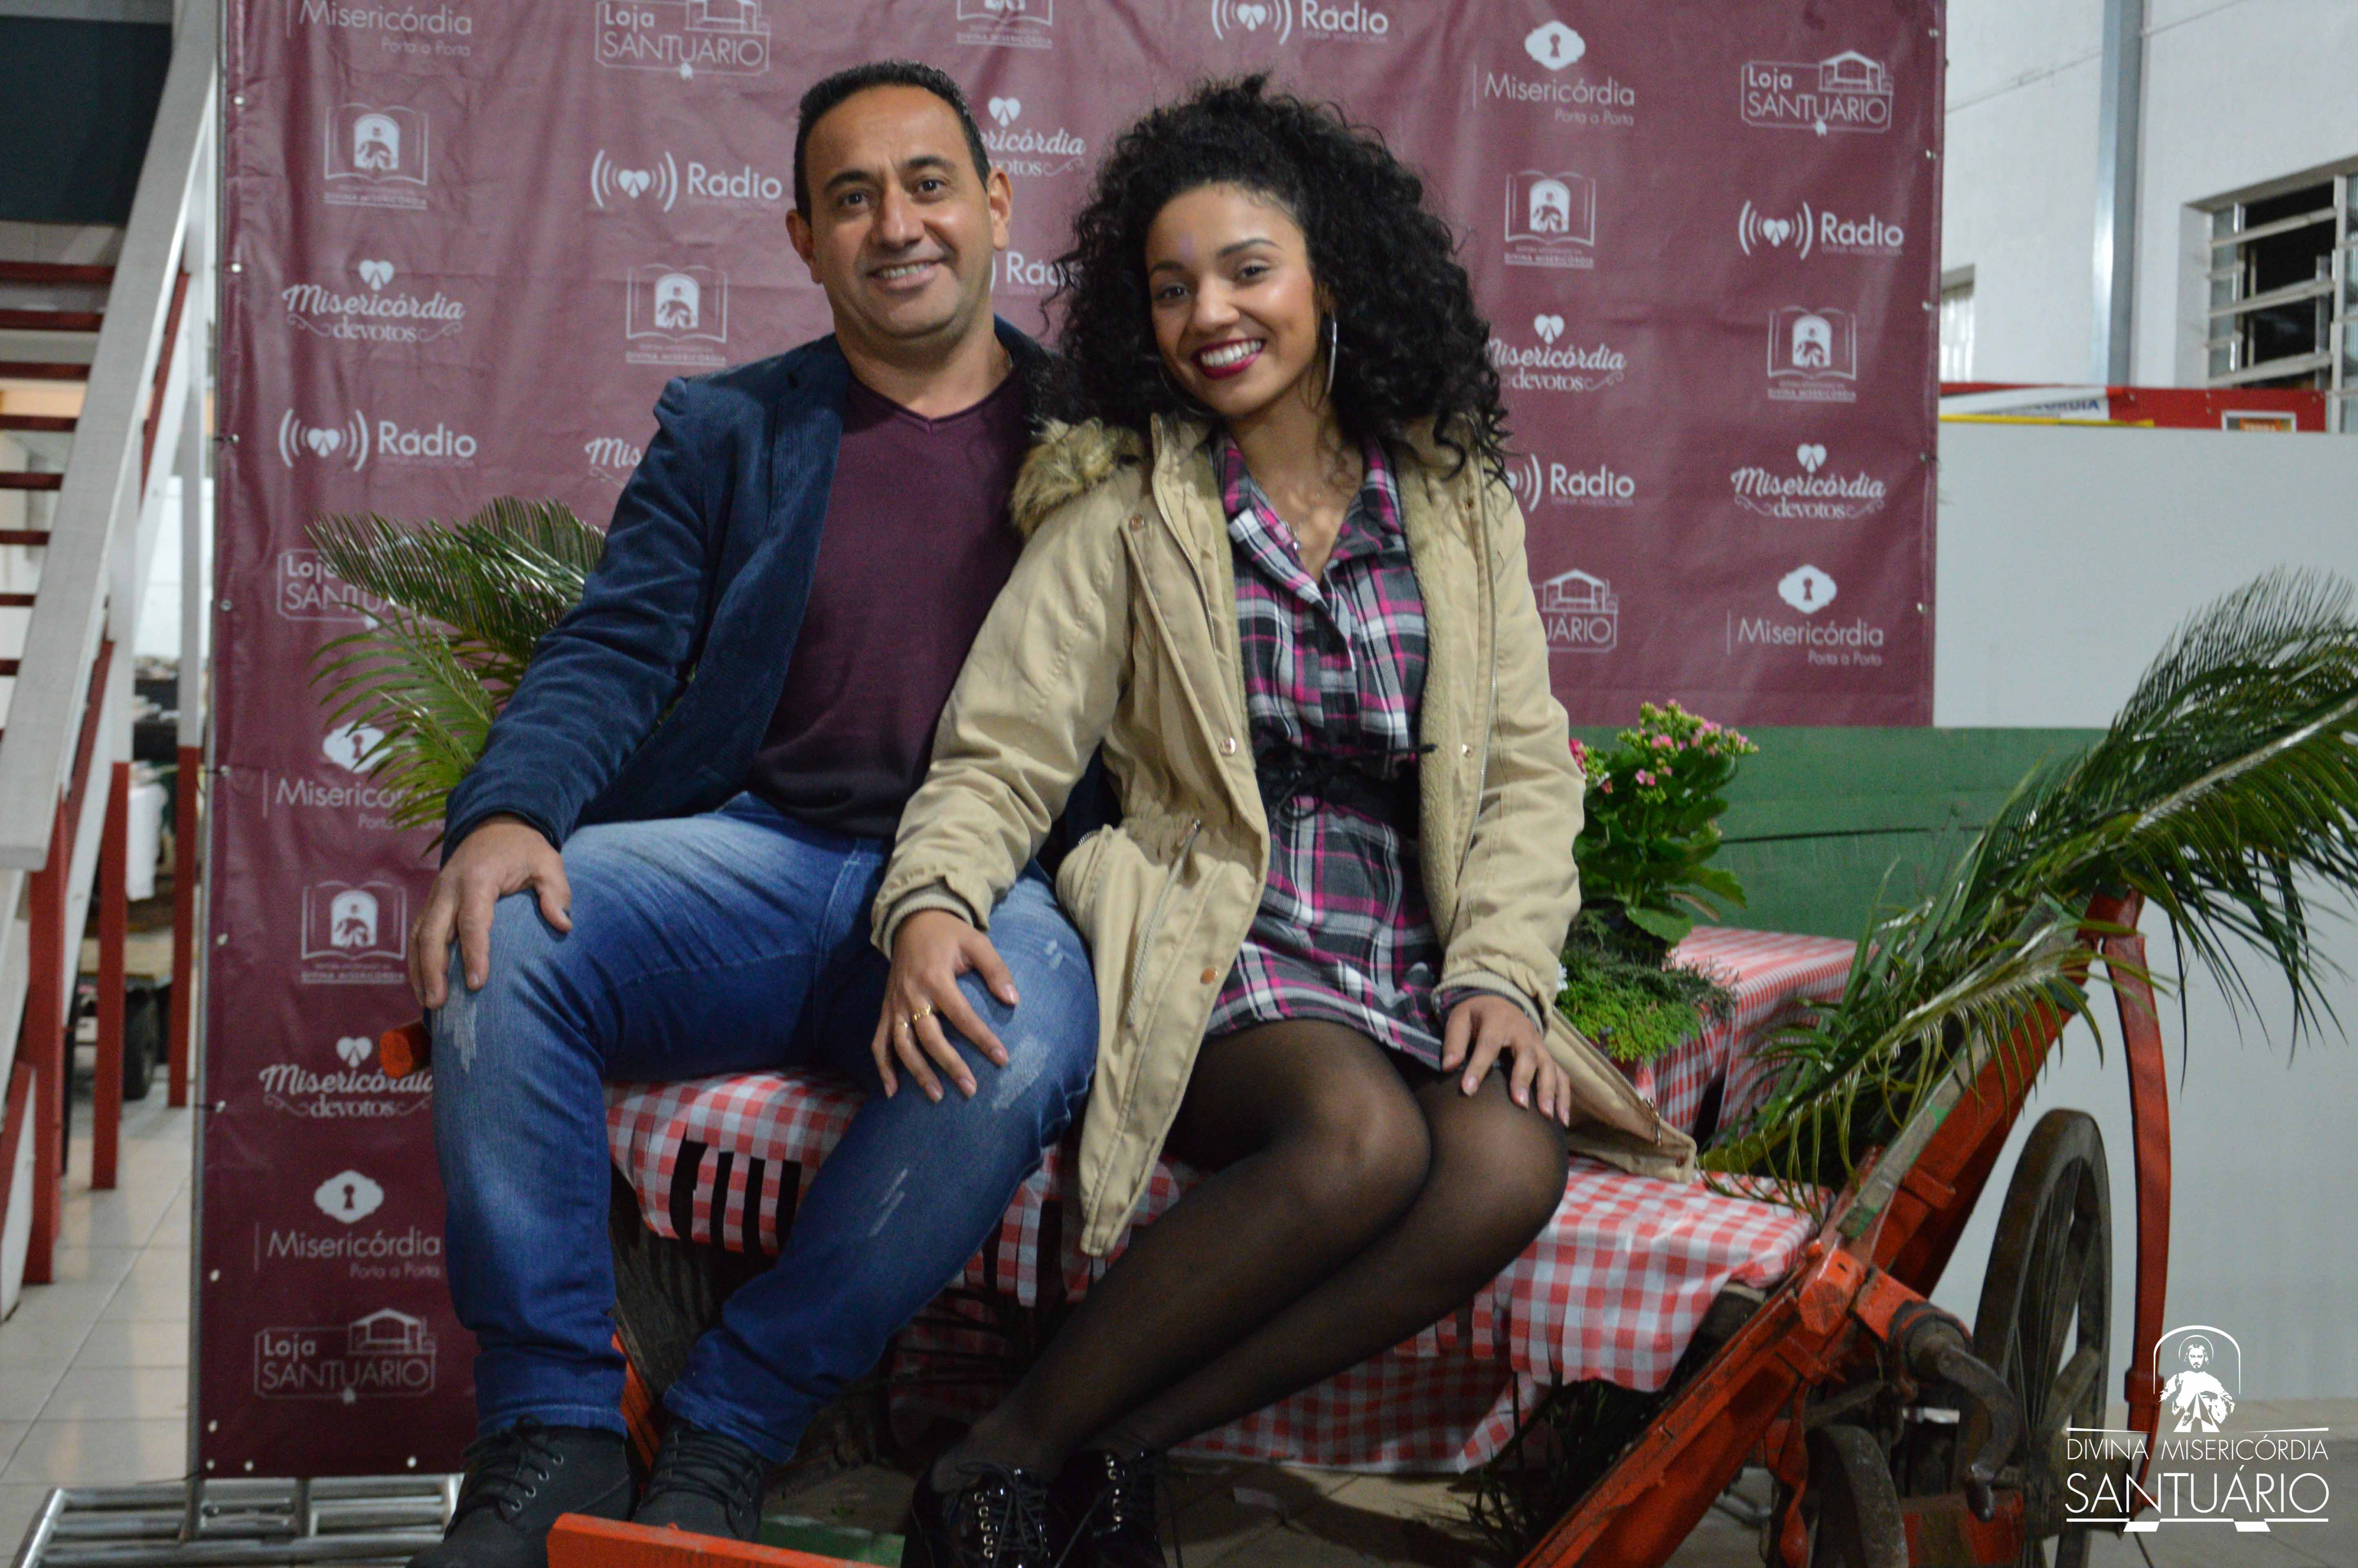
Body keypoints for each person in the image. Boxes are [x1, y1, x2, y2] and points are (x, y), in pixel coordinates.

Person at [870, 77, 1696, 1568]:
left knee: (1505, 1165)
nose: (1209, 315)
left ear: (1332, 277)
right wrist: (932, 897)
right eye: (1170, 287)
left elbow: (1523, 771)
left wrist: (1499, 967)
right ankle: (994, 1459)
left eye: (1246, 270)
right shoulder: (1122, 507)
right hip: (1216, 922)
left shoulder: (1454, 503)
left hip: (1413, 937)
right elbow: (1000, 750)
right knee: (1357, 1138)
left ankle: (1122, 1445)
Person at [405, 62, 1101, 1568]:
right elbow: (614, 647)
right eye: (851, 198)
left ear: (996, 205)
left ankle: (732, 1422)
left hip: (989, 881)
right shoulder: (728, 429)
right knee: (503, 937)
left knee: (1022, 1026)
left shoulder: (1102, 436)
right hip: (758, 861)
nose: (895, 224)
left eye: (928, 184)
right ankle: (551, 1423)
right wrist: (507, 811)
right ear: (801, 236)